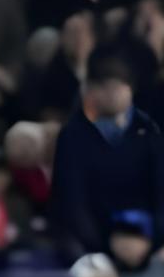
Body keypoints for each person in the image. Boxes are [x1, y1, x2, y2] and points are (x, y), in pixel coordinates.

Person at [50, 59, 164, 255]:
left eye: (118, 86)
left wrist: (149, 242)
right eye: (103, 87)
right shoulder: (73, 135)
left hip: (145, 240)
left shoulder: (150, 132)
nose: (111, 93)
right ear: (90, 91)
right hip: (92, 241)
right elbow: (72, 202)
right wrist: (107, 246)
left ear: (130, 90)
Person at [70, 210, 163, 277]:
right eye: (119, 236)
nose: (126, 243)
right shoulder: (96, 265)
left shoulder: (160, 268)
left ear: (148, 242)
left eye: (134, 236)